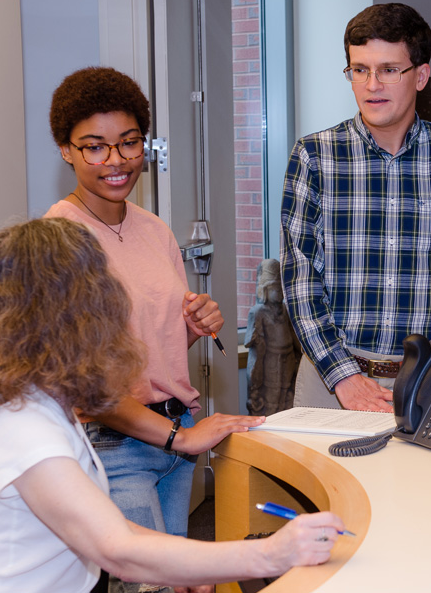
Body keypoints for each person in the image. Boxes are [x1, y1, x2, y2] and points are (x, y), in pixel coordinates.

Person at [0, 218, 345, 593]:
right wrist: (271, 554)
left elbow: (109, 527)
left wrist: (185, 567)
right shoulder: (16, 423)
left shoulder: (41, 399)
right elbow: (118, 551)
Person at [44, 67, 263, 591]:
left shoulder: (154, 229)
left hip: (169, 437)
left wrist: (187, 327)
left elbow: (143, 350)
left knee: (179, 584)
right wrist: (181, 437)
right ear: (66, 151)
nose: (115, 161)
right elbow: (89, 387)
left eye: (128, 143)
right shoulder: (60, 239)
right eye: (94, 147)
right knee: (153, 586)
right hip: (115, 444)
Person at [281, 3, 431, 412]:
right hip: (332, 380)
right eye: (359, 69)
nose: (371, 84)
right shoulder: (314, 156)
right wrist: (344, 376)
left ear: (420, 76)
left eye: (388, 69)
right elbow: (299, 277)